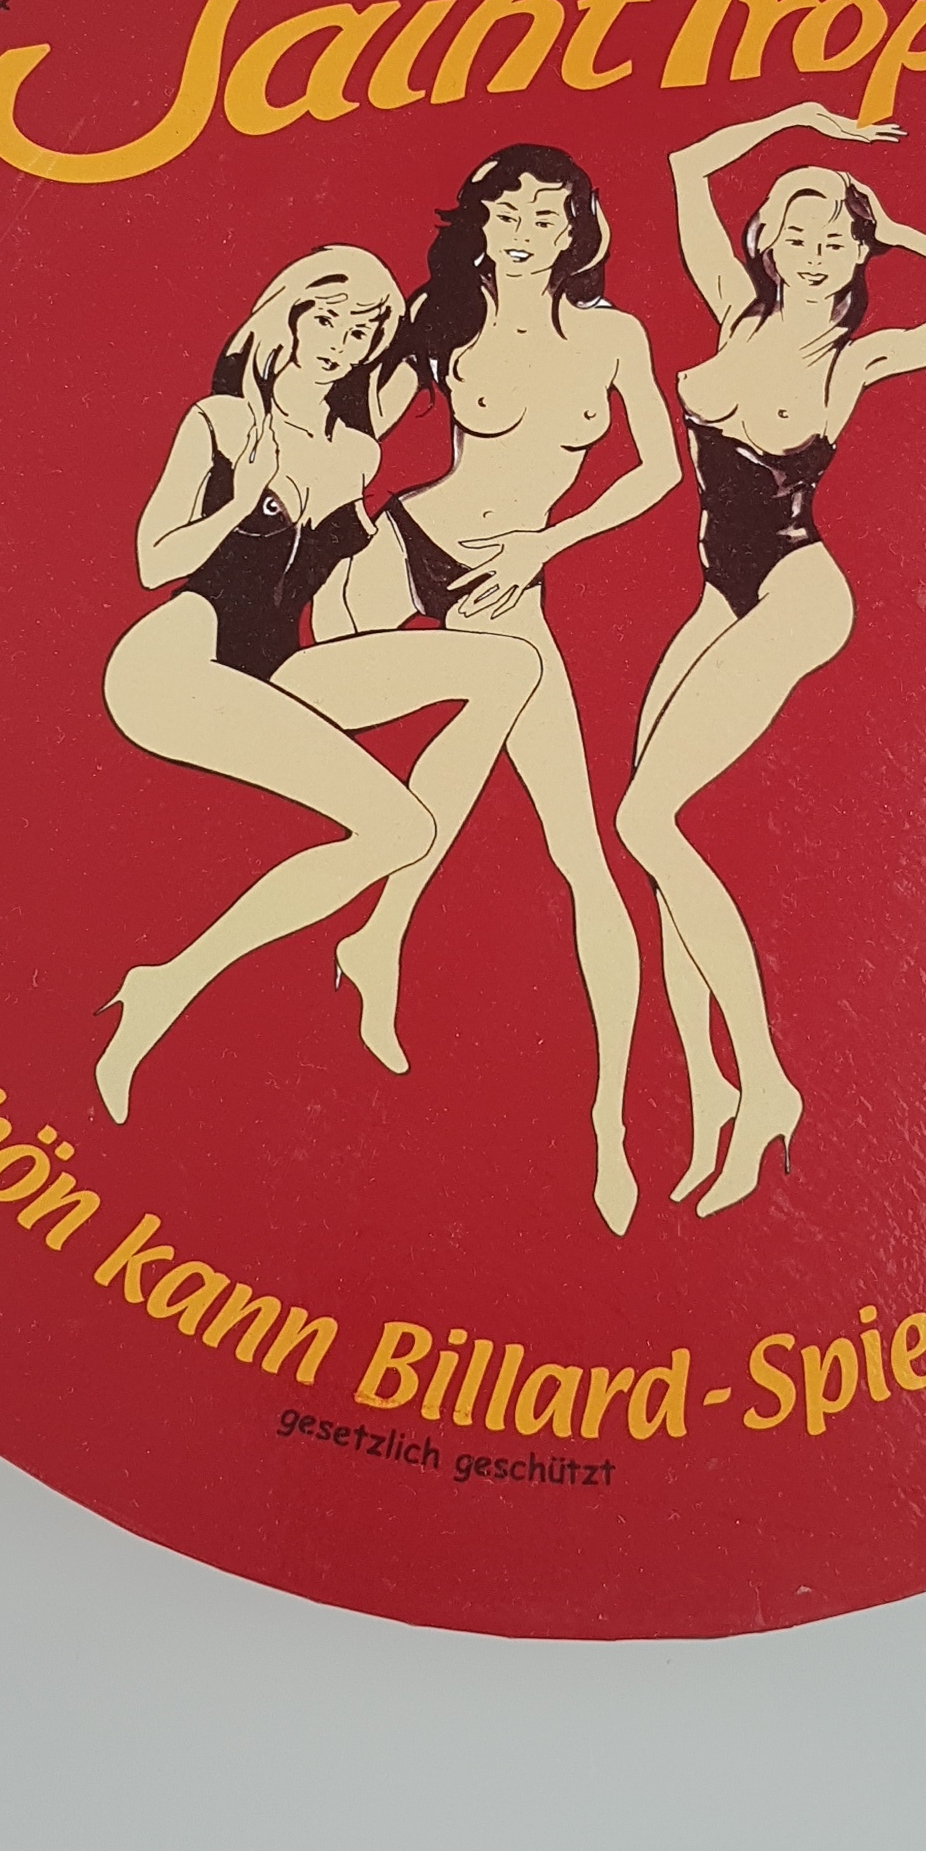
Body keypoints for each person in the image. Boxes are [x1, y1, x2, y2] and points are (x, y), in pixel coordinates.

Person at [616, 104, 926, 1218]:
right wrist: (803, 119)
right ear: (766, 237)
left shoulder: (858, 358)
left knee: (645, 820)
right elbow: (684, 162)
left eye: (835, 237)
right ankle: (708, 1085)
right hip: (718, 596)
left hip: (799, 594)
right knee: (652, 841)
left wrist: (904, 233)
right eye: (795, 229)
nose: (812, 249)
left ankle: (766, 1084)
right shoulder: (729, 309)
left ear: (858, 254)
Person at [95, 246, 538, 1125]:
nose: (341, 342)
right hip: (172, 666)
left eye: (362, 330)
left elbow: (329, 600)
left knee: (507, 665)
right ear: (289, 319)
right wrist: (240, 501)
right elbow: (151, 561)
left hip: (273, 667)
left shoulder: (355, 453)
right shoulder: (222, 422)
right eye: (326, 320)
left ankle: (366, 937)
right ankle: (167, 989)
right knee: (402, 826)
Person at [335, 146, 683, 1235]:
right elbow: (354, 432)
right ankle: (370, 933)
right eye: (508, 212)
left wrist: (550, 542)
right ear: (478, 223)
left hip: (509, 584)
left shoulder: (615, 336)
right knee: (309, 750)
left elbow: (658, 468)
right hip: (400, 556)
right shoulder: (440, 316)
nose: (527, 232)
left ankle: (611, 1127)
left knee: (582, 851)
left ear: (578, 229)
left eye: (548, 214)